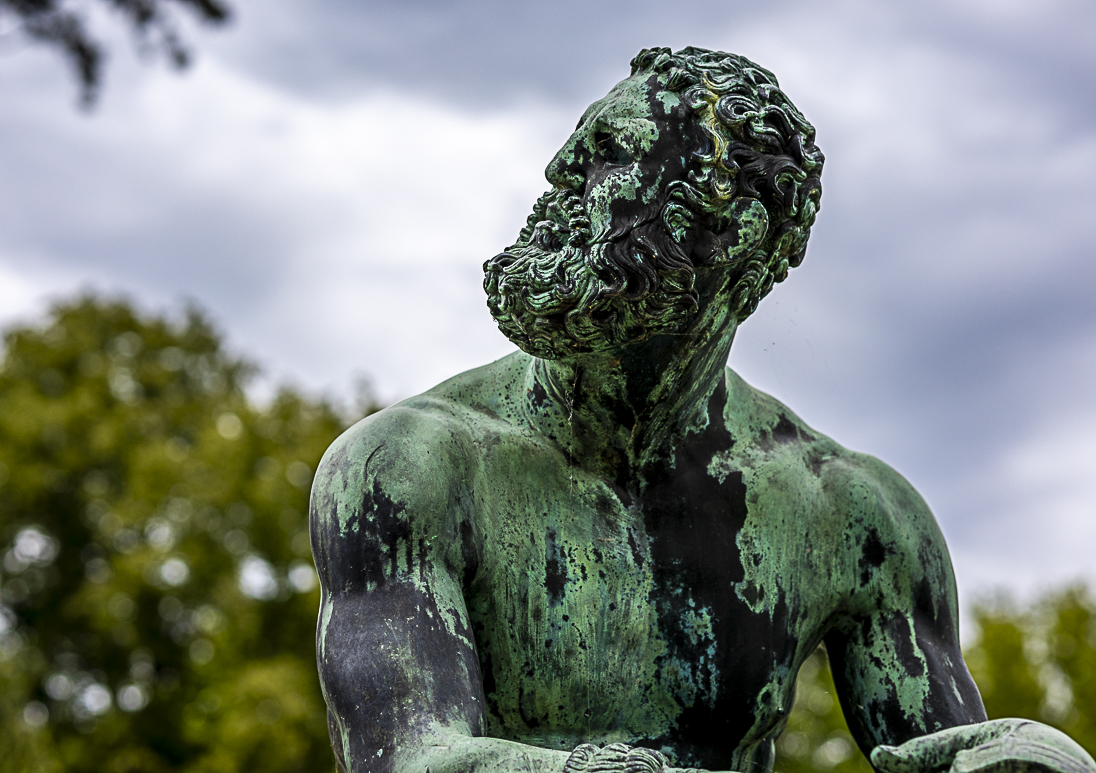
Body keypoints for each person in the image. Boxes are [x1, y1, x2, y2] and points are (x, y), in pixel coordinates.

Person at [310, 47, 1096, 773]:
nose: (557, 170)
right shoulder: (403, 468)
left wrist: (1022, 755)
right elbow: (404, 753)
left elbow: (930, 749)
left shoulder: (858, 520)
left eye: (608, 152)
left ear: (735, 233)